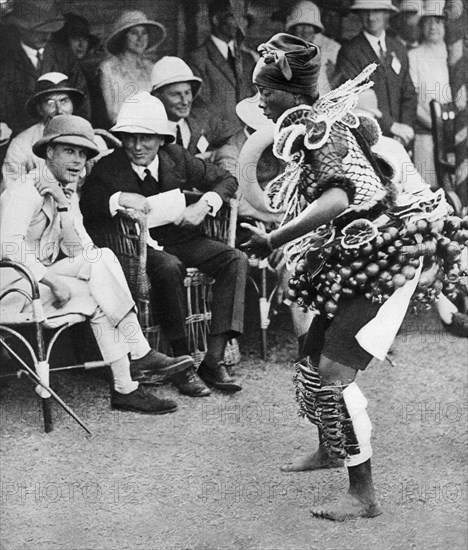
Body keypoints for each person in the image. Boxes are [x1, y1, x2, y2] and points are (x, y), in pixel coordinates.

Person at [242, 33, 460, 521]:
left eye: (266, 91)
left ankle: (363, 494)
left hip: (387, 259)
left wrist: (274, 241)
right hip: (358, 253)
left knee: (333, 375)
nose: (258, 99)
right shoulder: (328, 117)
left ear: (293, 94)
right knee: (309, 350)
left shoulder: (324, 130)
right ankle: (331, 448)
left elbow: (337, 199)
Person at [0, 114, 194, 415]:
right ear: (49, 152)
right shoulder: (26, 189)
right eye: (69, 151)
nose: (78, 161)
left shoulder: (64, 193)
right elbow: (9, 248)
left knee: (100, 271)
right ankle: (139, 355)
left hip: (37, 282)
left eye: (83, 153)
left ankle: (126, 387)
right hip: (12, 288)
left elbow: (81, 250)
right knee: (98, 274)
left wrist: (64, 208)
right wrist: (54, 281)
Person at [80, 92, 248, 395]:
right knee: (170, 267)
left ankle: (213, 358)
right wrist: (118, 199)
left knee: (235, 259)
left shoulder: (176, 157)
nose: (137, 146)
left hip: (182, 238)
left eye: (146, 138)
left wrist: (205, 205)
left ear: (161, 138)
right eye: (129, 138)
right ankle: (182, 364)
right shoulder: (109, 167)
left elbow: (226, 180)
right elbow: (88, 205)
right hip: (137, 249)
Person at [0, 0, 90, 138]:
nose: (46, 35)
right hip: (22, 139)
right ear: (21, 28)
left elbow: (82, 104)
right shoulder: (6, 62)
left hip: (67, 135)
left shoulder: (64, 56)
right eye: (38, 31)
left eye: (50, 30)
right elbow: (5, 112)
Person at [333, 0, 417, 148]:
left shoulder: (397, 48)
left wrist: (405, 128)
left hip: (401, 138)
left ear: (386, 14)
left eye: (376, 11)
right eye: (366, 12)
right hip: (368, 138)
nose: (371, 17)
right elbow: (353, 97)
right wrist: (391, 126)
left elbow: (408, 93)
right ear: (359, 15)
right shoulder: (350, 51)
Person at [187, 0, 257, 158]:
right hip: (217, 147)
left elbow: (254, 99)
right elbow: (200, 109)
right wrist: (232, 137)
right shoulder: (198, 59)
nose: (241, 23)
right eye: (233, 17)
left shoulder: (247, 60)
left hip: (249, 144)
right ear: (216, 20)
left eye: (243, 17)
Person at [1, 72, 84, 192]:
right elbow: (10, 191)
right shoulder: (21, 144)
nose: (59, 110)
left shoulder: (90, 138)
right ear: (39, 109)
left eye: (64, 101)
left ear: (72, 105)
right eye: (50, 103)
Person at [150, 56, 232, 158]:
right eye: (176, 94)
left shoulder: (204, 120)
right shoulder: (148, 131)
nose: (185, 102)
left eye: (187, 93)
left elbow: (235, 142)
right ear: (157, 97)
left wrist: (213, 155)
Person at [408, 0, 452, 190]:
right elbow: (412, 99)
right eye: (428, 21)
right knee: (429, 188)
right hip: (426, 134)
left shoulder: (455, 55)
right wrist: (436, 126)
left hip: (456, 135)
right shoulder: (414, 55)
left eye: (438, 21)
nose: (433, 26)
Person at [99, 10, 166, 126]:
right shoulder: (108, 68)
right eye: (134, 33)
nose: (140, 38)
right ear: (123, 37)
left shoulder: (152, 68)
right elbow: (110, 113)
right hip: (120, 130)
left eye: (144, 33)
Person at [284, 1, 341, 95]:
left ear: (315, 28)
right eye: (300, 25)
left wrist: (333, 77)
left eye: (309, 25)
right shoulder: (282, 53)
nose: (305, 30)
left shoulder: (329, 53)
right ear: (293, 28)